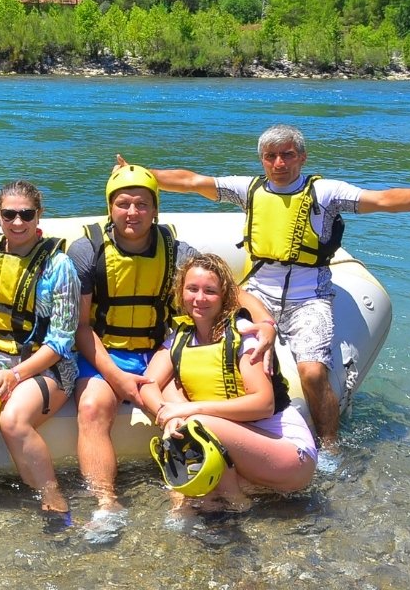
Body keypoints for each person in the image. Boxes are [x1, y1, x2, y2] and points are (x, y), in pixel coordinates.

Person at [142, 125, 410, 455]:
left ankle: (329, 447)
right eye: (271, 156)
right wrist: (141, 173)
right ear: (262, 160)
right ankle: (216, 426)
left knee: (312, 372)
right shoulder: (248, 190)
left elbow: (382, 200)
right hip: (258, 293)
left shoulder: (326, 193)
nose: (279, 163)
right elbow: (191, 181)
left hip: (309, 297)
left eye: (287, 155)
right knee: (215, 349)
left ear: (302, 157)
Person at [68, 163, 275, 540]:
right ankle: (106, 504)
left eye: (142, 204)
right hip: (107, 351)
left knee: (179, 415)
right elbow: (82, 327)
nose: (133, 212)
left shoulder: (176, 251)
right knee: (92, 407)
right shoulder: (88, 251)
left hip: (161, 351)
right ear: (110, 207)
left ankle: (186, 501)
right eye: (123, 204)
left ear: (155, 208)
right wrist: (116, 378)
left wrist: (266, 324)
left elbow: (229, 289)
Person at [139, 253, 317, 517]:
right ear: (180, 292)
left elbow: (264, 404)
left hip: (288, 455)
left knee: (197, 424)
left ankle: (236, 504)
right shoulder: (179, 339)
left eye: (210, 291)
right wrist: (168, 415)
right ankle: (219, 504)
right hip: (240, 452)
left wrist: (189, 410)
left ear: (224, 296)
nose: (199, 298)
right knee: (171, 394)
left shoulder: (244, 336)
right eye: (192, 289)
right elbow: (147, 384)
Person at [0, 180, 79, 517]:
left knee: (12, 420)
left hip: (45, 364)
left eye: (26, 214)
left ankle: (52, 496)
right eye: (9, 214)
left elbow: (61, 340)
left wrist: (17, 374)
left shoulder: (58, 266)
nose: (17, 222)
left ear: (39, 215)